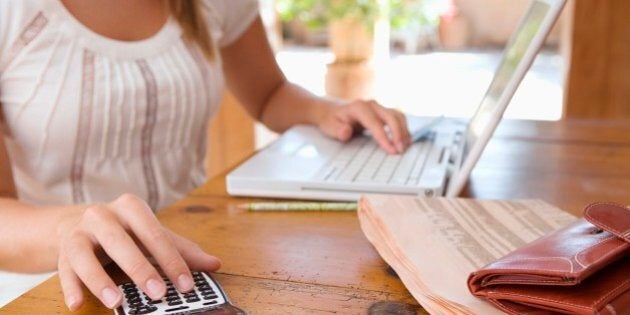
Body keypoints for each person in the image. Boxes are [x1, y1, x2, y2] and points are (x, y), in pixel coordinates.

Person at [0, 0, 411, 311]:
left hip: (198, 267)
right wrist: (69, 227)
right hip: (56, 287)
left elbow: (268, 94)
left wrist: (326, 110)